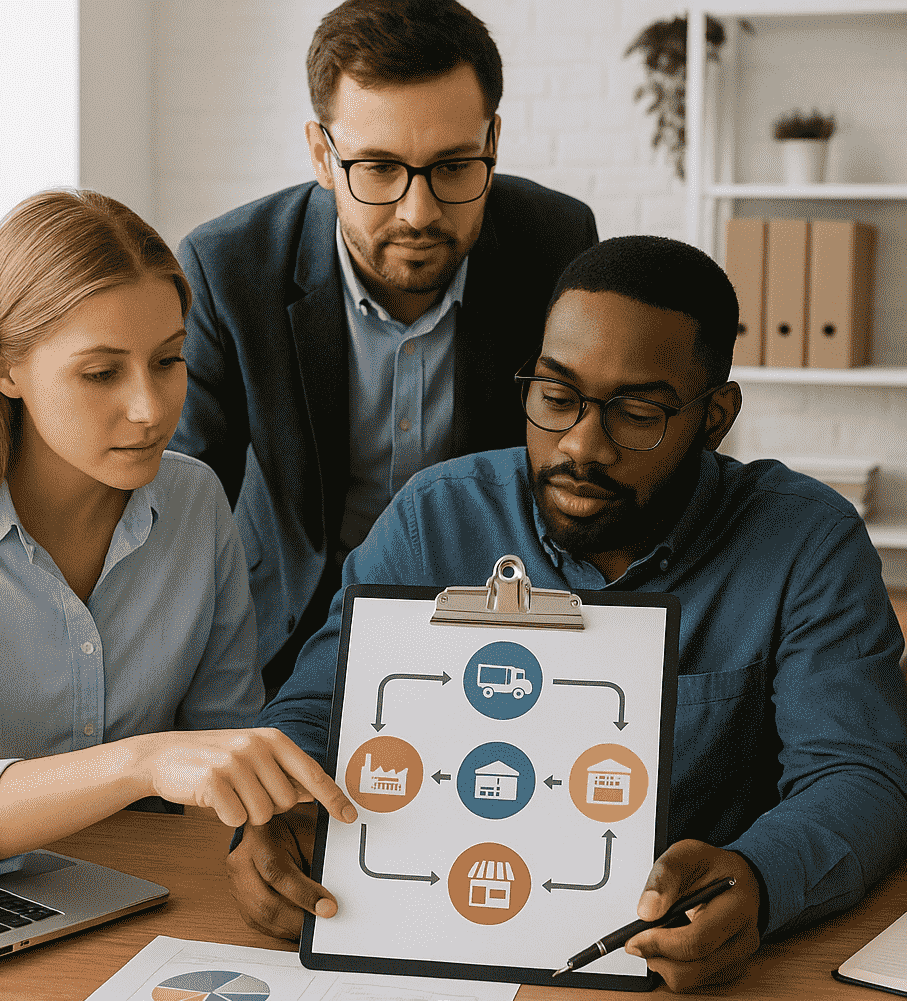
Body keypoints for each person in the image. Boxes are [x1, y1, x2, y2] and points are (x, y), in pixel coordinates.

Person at [226, 235, 907, 991]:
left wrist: (758, 879)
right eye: (556, 399)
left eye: (637, 413)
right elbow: (314, 709)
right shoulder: (437, 517)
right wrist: (265, 821)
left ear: (715, 416)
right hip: (431, 941)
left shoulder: (806, 542)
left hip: (653, 968)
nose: (582, 446)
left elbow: (859, 776)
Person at [0, 189, 355, 880]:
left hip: (144, 889)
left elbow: (223, 747)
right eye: (101, 373)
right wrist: (140, 764)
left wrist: (257, 844)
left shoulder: (194, 500)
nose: (150, 408)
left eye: (169, 360)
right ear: (2, 368)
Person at [169, 0, 599, 696]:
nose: (418, 212)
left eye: (455, 167)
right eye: (377, 168)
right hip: (290, 633)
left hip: (497, 622)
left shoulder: (557, 242)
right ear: (322, 155)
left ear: (493, 140)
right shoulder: (227, 268)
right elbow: (181, 499)